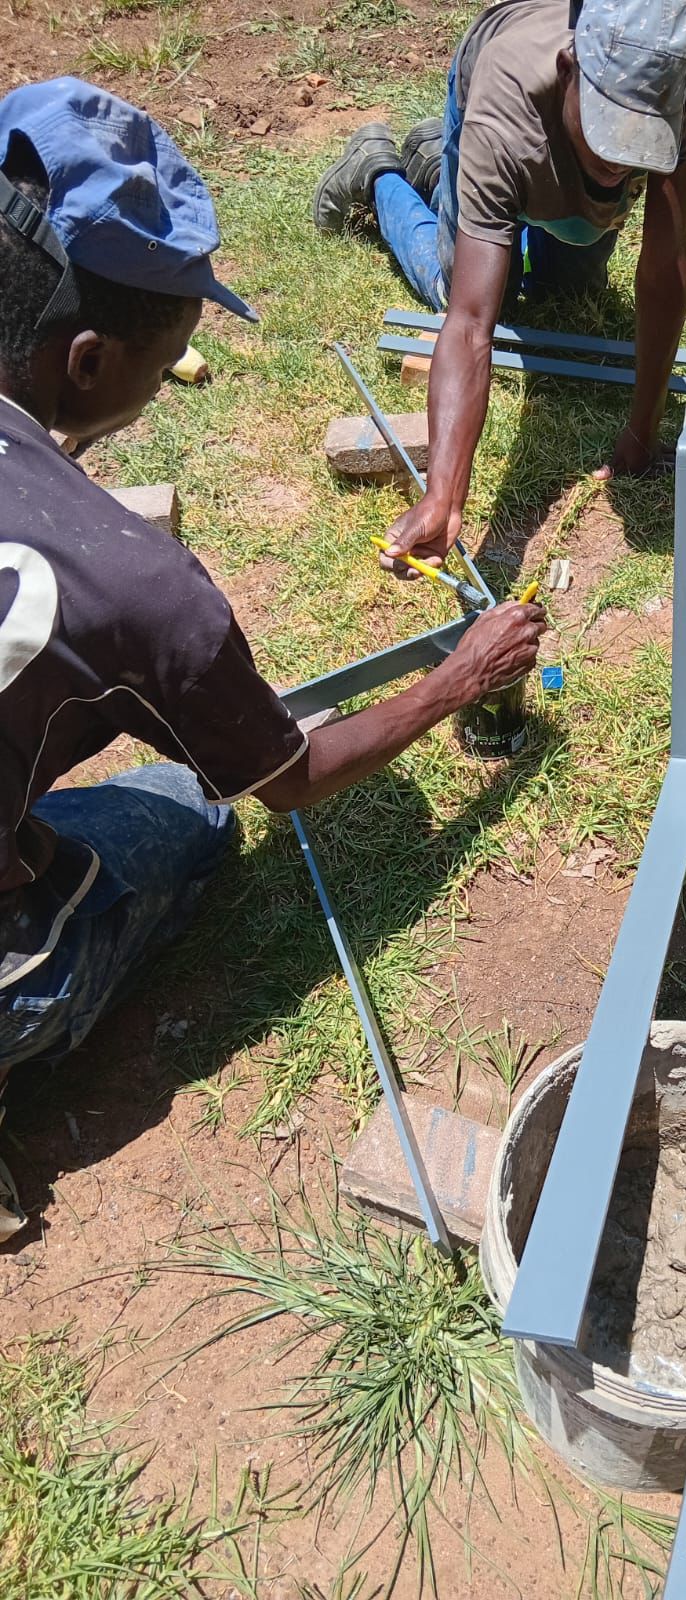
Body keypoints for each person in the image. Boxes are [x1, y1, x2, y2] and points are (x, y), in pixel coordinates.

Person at [0, 77, 545, 1234]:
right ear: (89, 363)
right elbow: (285, 776)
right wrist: (457, 680)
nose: (173, 375)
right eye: (174, 349)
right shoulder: (134, 587)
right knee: (194, 821)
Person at [312, 0, 686, 574]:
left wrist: (641, 432)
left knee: (564, 286)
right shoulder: (506, 114)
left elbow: (664, 260)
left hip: (533, 141)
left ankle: (441, 162)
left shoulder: (680, 63)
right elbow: (471, 324)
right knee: (468, 286)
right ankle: (380, 173)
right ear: (570, 70)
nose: (619, 160)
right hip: (497, 104)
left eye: (639, 141)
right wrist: (444, 494)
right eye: (608, 130)